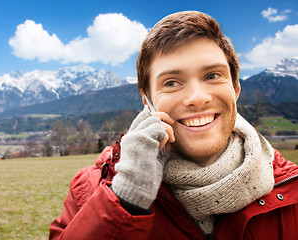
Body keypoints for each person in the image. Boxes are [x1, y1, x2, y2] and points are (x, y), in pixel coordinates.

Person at [49, 11, 298, 239]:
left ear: (235, 89)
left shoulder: (292, 188)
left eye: (212, 75)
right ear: (147, 101)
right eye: (171, 82)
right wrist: (125, 200)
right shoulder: (91, 190)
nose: (197, 97)